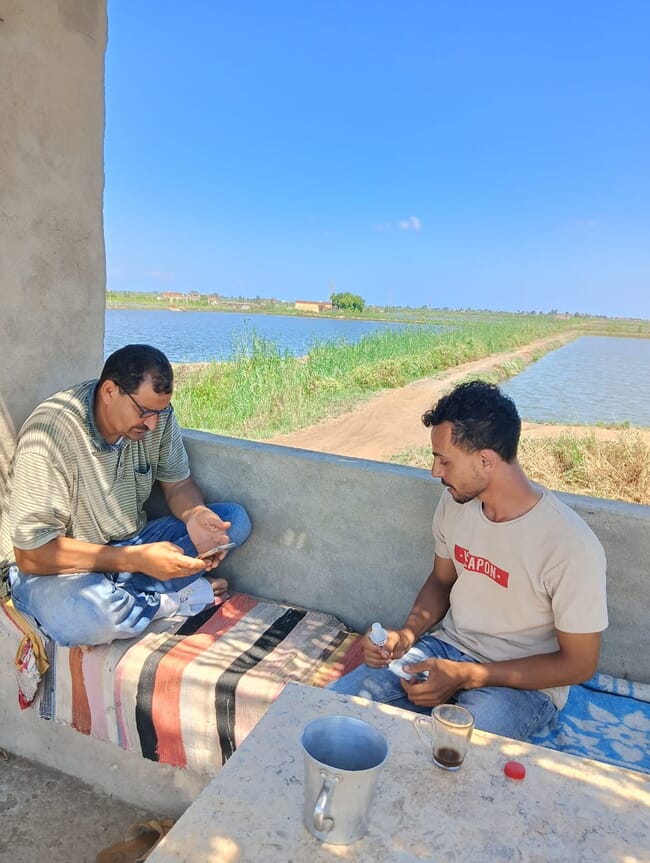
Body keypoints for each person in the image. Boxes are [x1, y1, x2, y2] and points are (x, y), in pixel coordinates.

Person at [329, 380, 608, 740]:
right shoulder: (455, 504)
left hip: (522, 683)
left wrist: (469, 676)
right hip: (446, 649)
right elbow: (441, 581)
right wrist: (407, 635)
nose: (435, 472)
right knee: (336, 708)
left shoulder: (570, 546)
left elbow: (580, 664)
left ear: (486, 460)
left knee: (447, 748)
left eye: (444, 461)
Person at [0, 344, 251, 647]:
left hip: (126, 546)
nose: (153, 423)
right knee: (88, 618)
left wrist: (195, 514)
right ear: (109, 391)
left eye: (160, 412)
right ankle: (170, 602)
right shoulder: (51, 435)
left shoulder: (156, 418)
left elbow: (178, 485)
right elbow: (32, 556)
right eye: (144, 411)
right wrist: (137, 561)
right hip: (58, 569)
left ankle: (130, 597)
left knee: (233, 521)